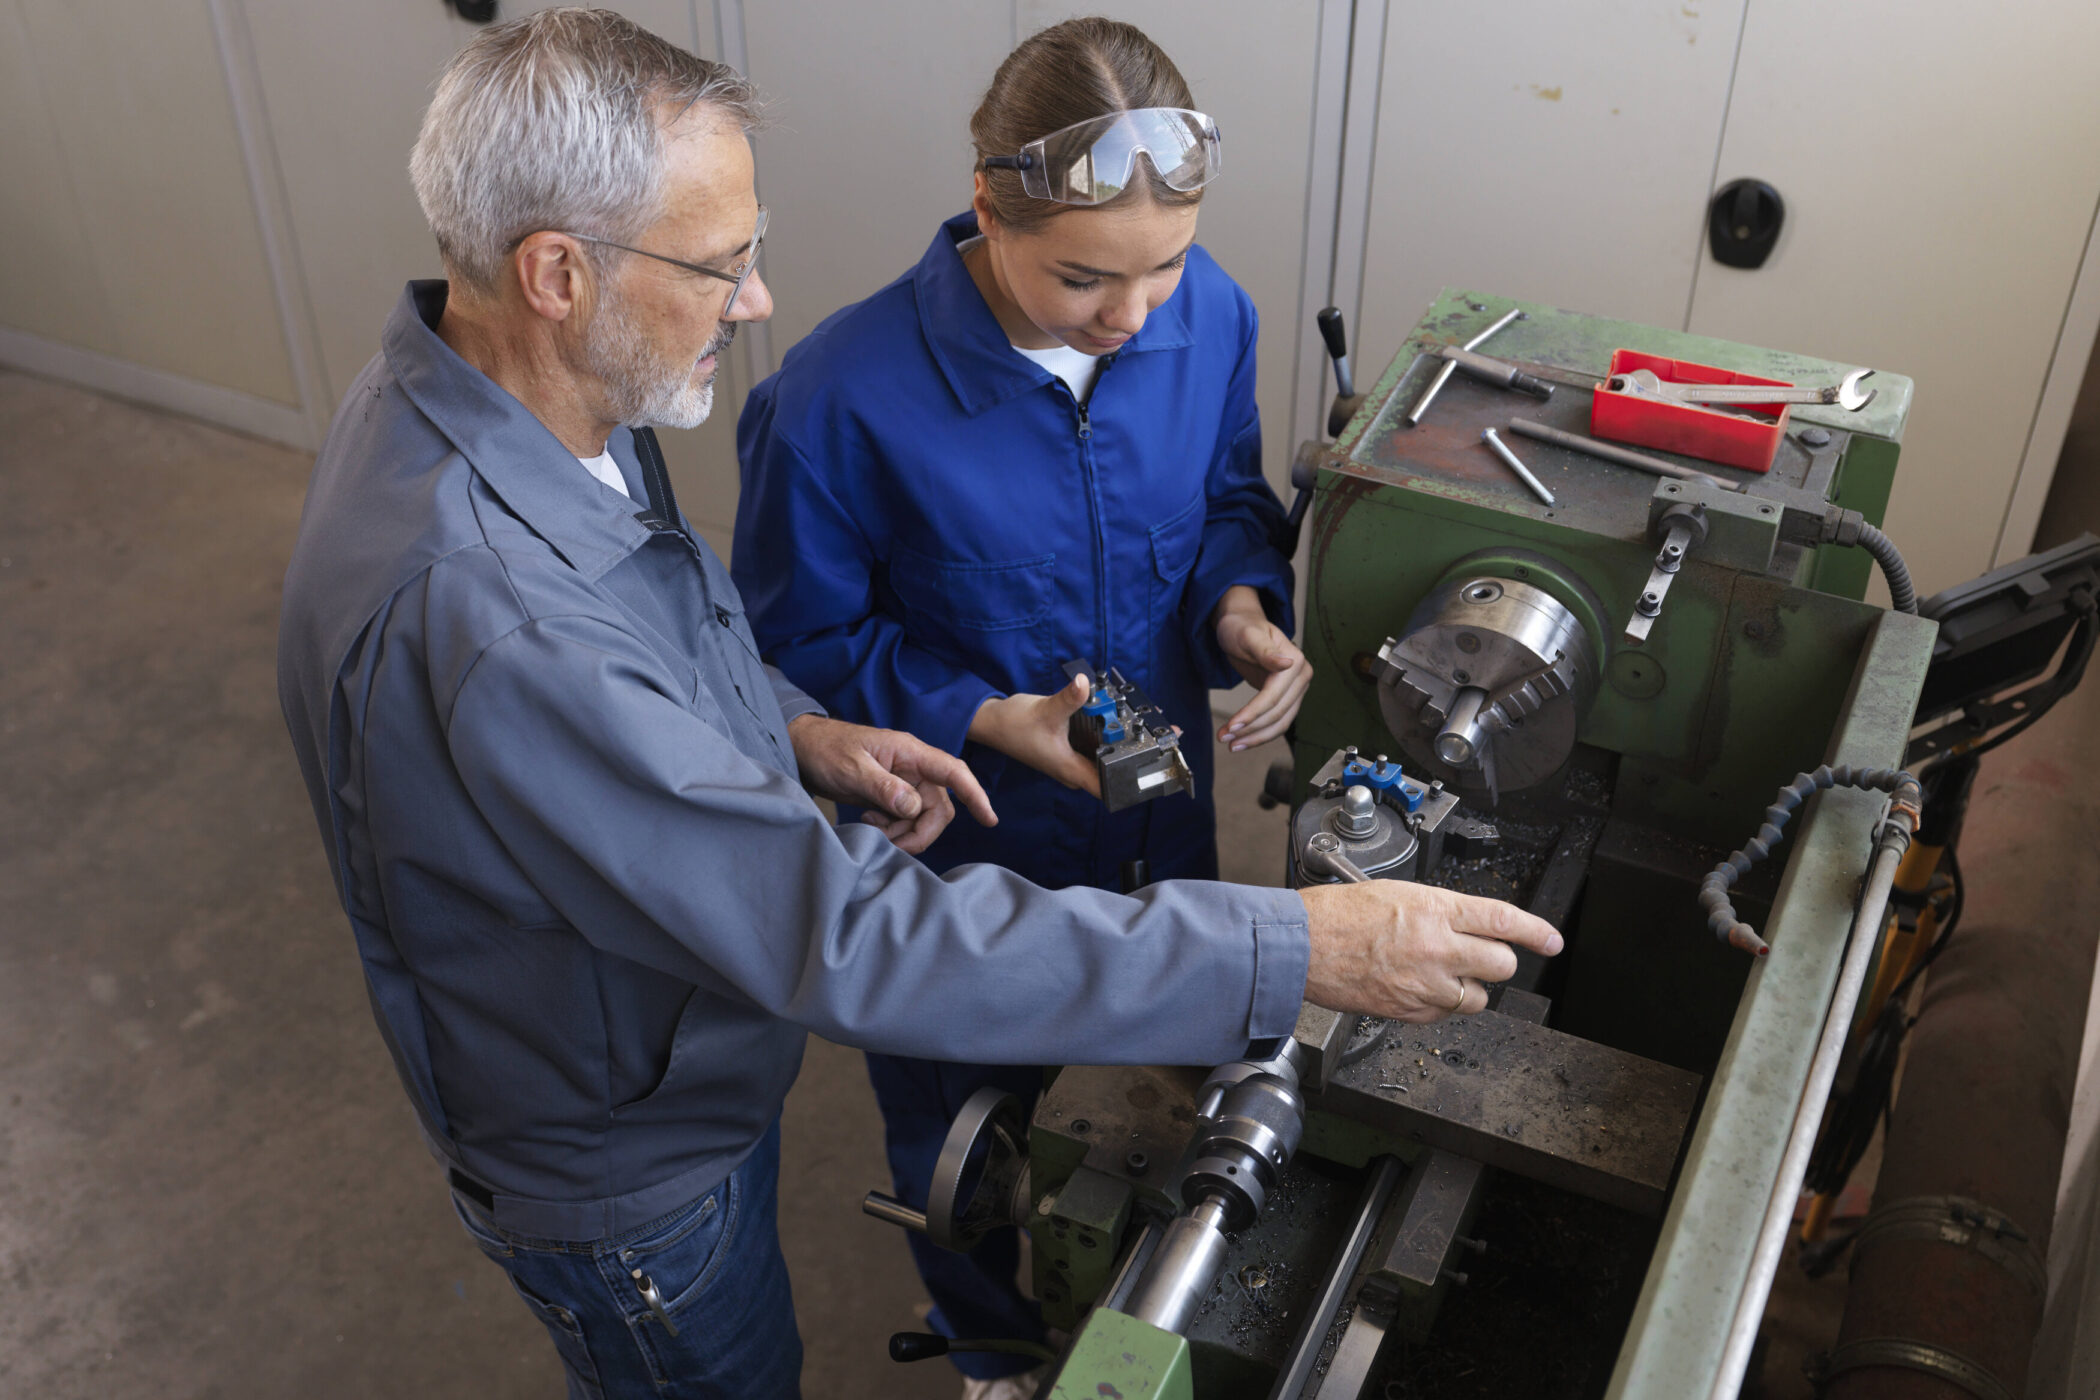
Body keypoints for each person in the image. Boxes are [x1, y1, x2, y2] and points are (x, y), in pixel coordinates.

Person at [274, 10, 1563, 1399]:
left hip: (726, 1005)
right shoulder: (515, 603)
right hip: (638, 1142)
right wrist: (1288, 948)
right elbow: (838, 931)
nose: (756, 301)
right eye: (722, 264)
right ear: (556, 273)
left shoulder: (534, 406)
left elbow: (675, 647)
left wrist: (797, 732)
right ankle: (994, 1350)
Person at [732, 20, 1305, 1392]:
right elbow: (791, 647)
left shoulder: (1213, 318)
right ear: (989, 210)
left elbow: (1228, 502)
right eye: (1083, 278)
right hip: (965, 845)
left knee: (1155, 1092)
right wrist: (986, 717)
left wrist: (1239, 606)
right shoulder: (839, 400)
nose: (1133, 316)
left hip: (1154, 821)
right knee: (964, 1138)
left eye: (1165, 266)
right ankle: (990, 1348)